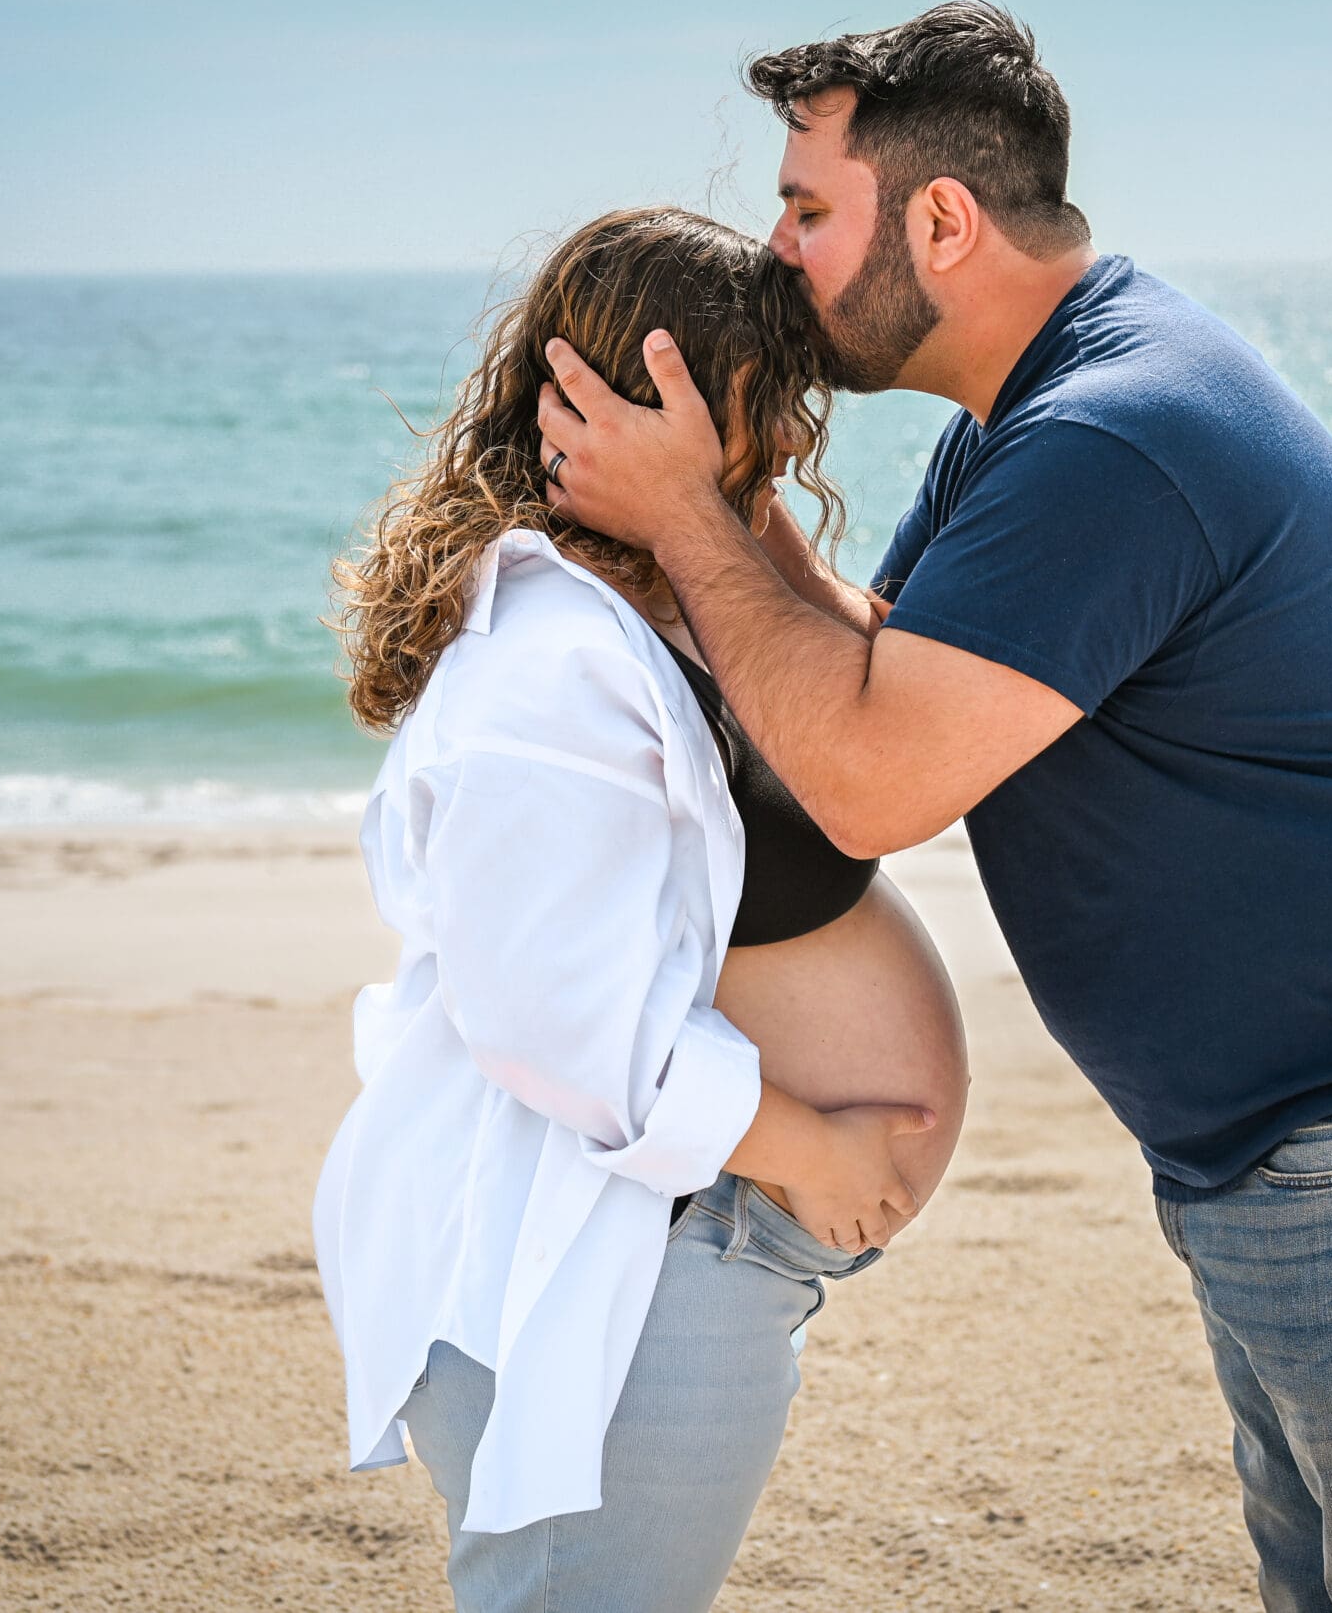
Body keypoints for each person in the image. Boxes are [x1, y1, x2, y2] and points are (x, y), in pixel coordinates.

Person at [537, 2, 1332, 1612]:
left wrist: (687, 522)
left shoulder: (1112, 435)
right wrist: (740, 508)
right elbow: (884, 669)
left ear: (943, 220)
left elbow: (865, 783)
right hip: (1311, 1140)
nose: (778, 253)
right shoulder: (1041, 405)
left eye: (809, 211)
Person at [313, 206, 968, 1613]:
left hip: (699, 1243)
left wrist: (712, 504)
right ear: (654, 391)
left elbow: (881, 701)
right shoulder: (547, 665)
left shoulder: (671, 596)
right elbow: (551, 1024)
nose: (793, 436)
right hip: (635, 1258)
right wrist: (816, 1150)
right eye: (766, 400)